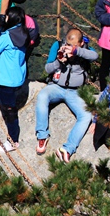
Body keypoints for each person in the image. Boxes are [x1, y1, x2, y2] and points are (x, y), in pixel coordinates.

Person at [35, 28, 98, 163]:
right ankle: (42, 135)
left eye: (73, 45)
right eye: (69, 45)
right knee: (42, 97)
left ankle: (67, 149)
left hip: (75, 91)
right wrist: (59, 61)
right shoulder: (58, 46)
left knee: (86, 116)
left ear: (81, 43)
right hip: (56, 86)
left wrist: (77, 52)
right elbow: (47, 69)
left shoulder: (86, 49)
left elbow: (95, 56)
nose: (70, 48)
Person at [0, 6, 29, 151]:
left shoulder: (7, 37)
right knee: (9, 104)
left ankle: (13, 141)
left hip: (5, 79)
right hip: (17, 77)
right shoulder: (23, 33)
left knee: (9, 110)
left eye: (6, 16)